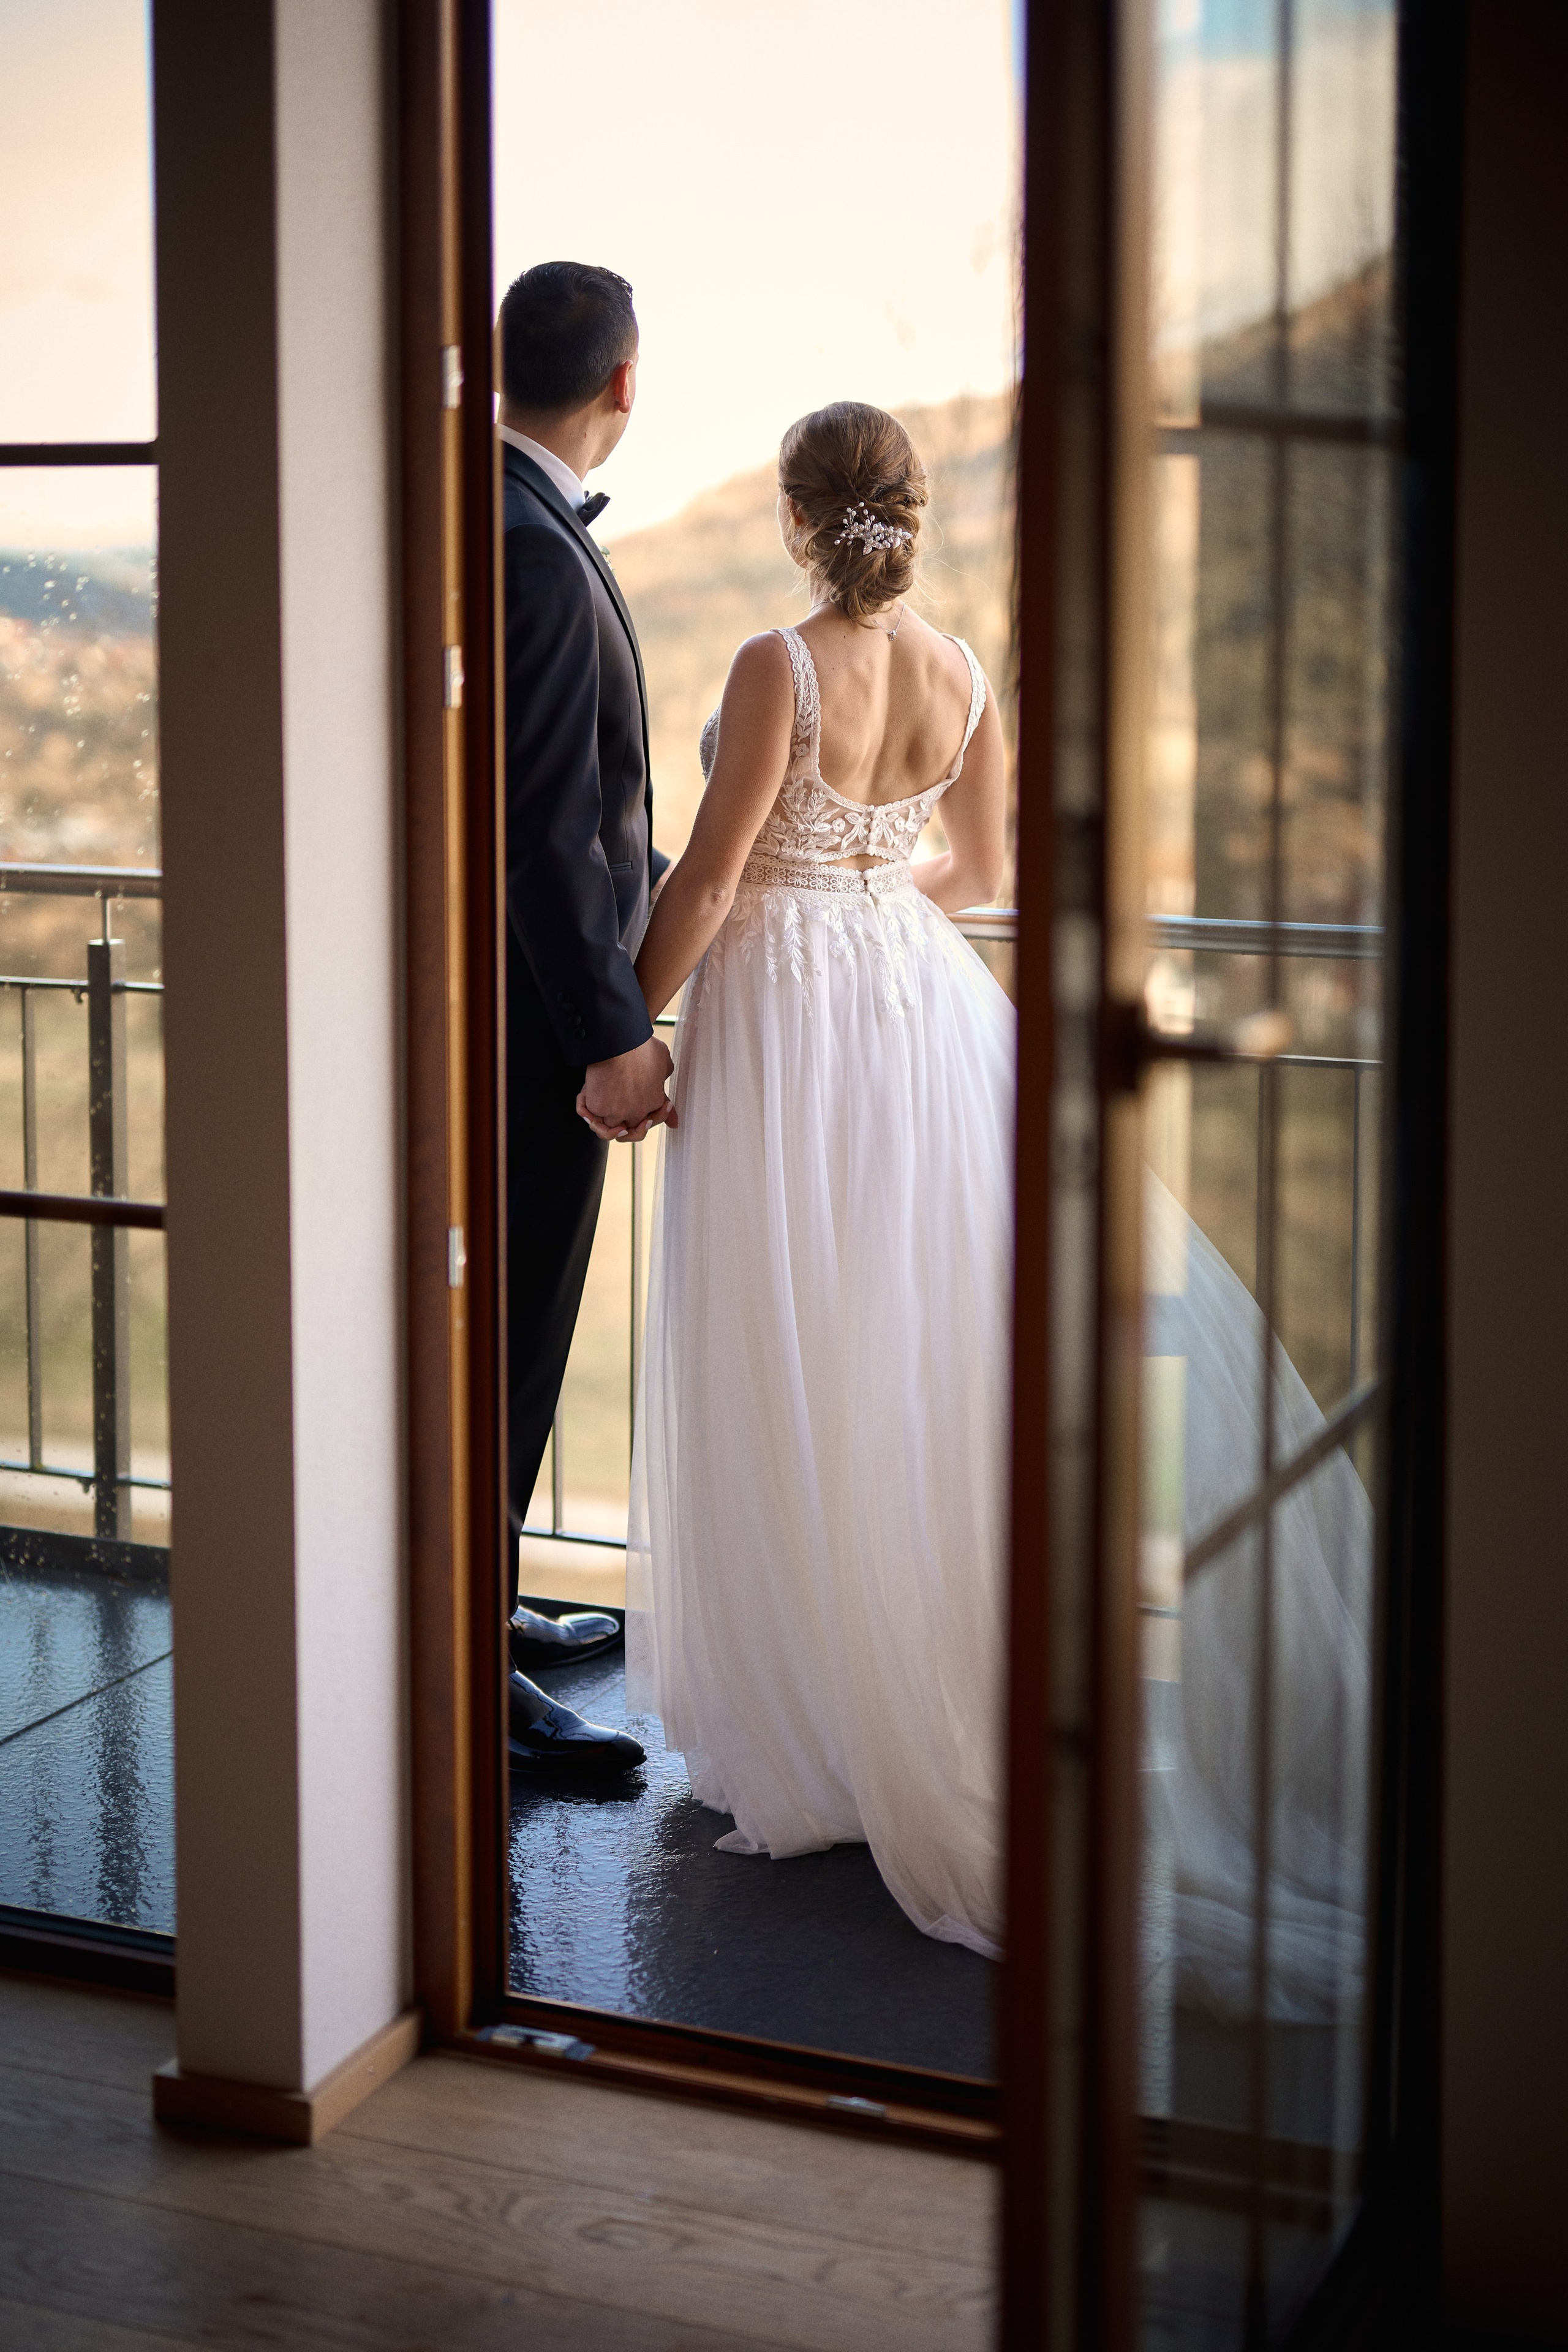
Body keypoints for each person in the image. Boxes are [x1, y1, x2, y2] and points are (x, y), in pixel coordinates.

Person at [612, 402, 1013, 1955]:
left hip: (783, 1013)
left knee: (783, 1344)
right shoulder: (961, 671)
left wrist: (627, 1024)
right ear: (906, 513)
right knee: (892, 1352)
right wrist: (856, 891)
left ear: (795, 516)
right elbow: (976, 876)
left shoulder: (775, 664)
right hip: (907, 1008)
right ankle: (897, 1705)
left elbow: (709, 874)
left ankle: (817, 1725)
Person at [499, 260, 675, 1773]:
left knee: (505, 1327)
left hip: (515, 1009)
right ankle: (468, 1666)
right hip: (528, 1034)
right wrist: (614, 1034)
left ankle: (477, 1604)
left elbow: (599, 822)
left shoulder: (503, 516)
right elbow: (549, 831)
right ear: (624, 382)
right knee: (509, 1330)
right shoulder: (536, 555)